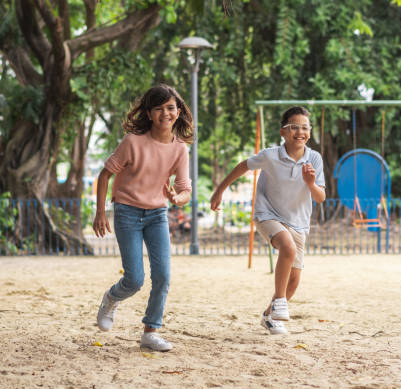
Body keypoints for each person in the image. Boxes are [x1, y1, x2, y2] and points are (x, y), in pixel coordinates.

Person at [93, 84, 193, 351]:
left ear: (178, 111)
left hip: (157, 215)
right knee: (134, 279)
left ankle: (151, 331)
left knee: (163, 276)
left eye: (170, 107)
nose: (165, 113)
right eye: (158, 108)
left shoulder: (180, 149)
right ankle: (111, 299)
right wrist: (100, 212)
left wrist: (176, 198)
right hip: (126, 211)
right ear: (149, 114)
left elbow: (185, 190)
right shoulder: (132, 142)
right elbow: (105, 175)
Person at [210, 106, 326, 335]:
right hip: (268, 214)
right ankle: (280, 302)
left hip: (298, 222)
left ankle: (268, 315)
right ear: (283, 132)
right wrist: (219, 190)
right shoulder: (271, 155)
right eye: (294, 127)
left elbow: (320, 197)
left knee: (293, 281)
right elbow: (243, 166)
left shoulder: (314, 158)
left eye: (305, 127)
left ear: (310, 132)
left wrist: (311, 183)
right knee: (287, 247)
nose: (300, 132)